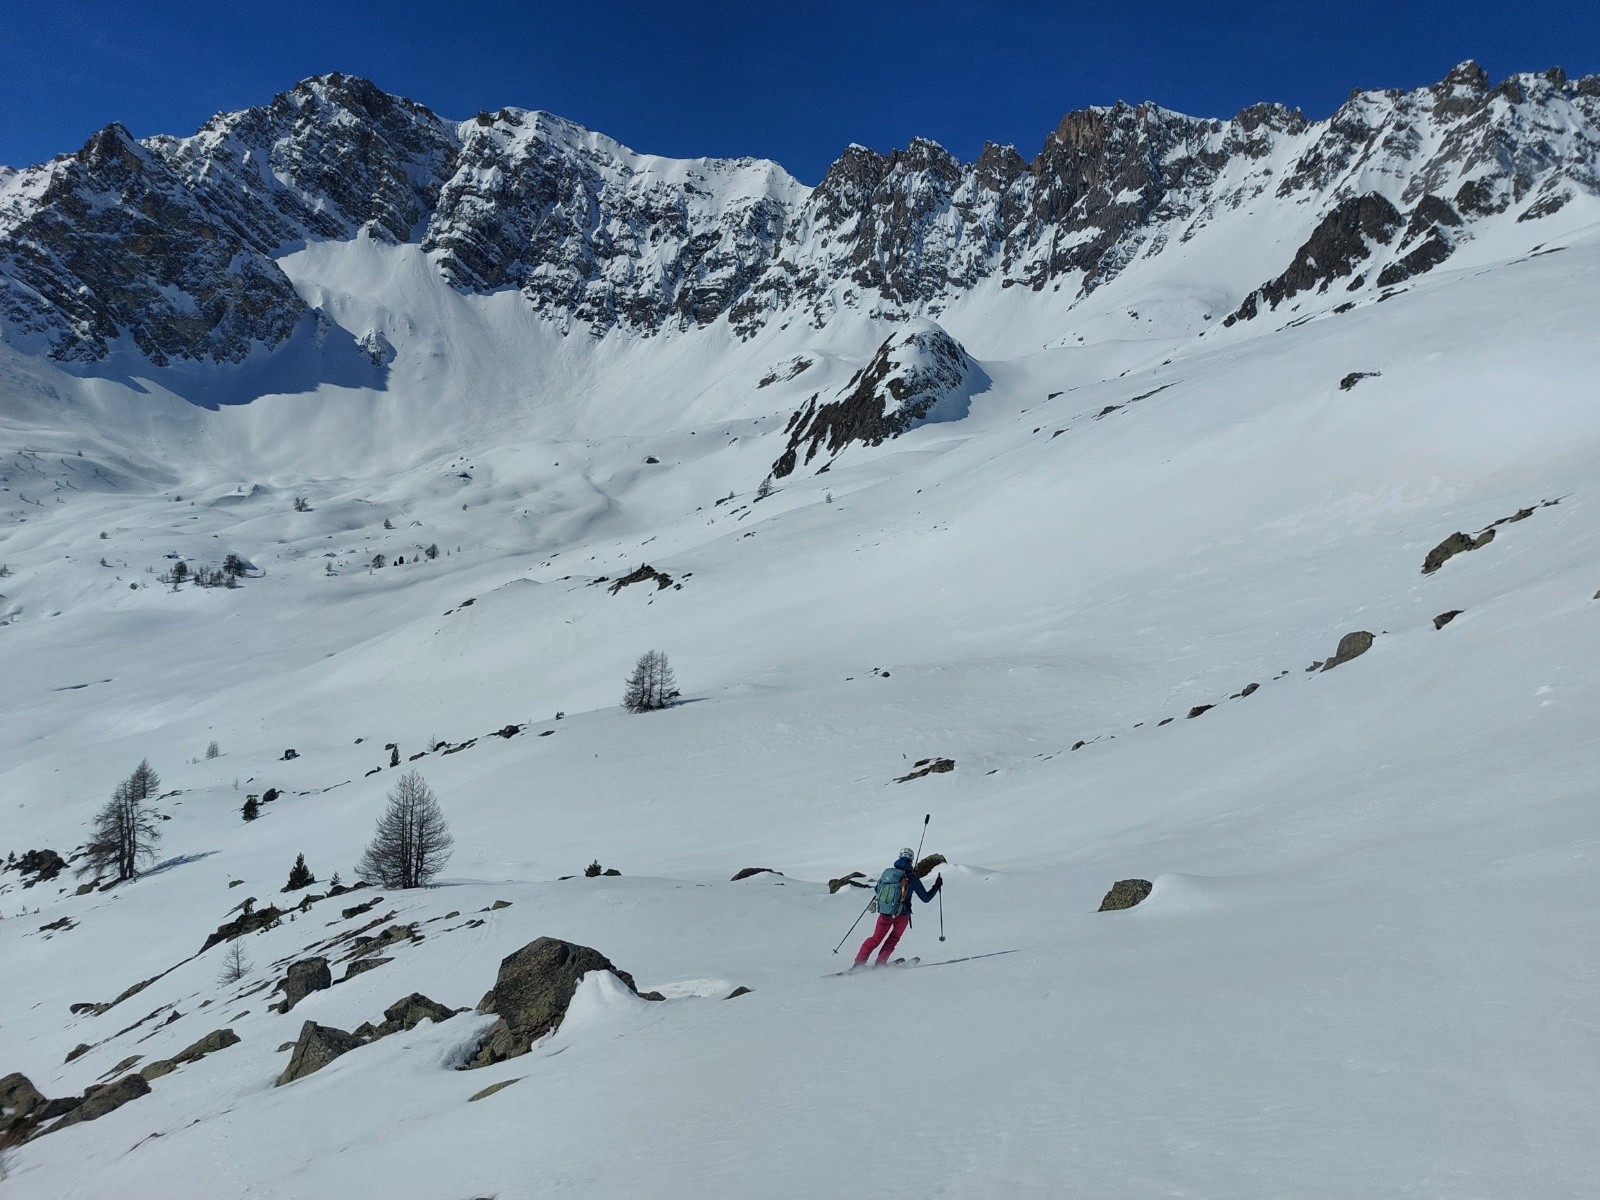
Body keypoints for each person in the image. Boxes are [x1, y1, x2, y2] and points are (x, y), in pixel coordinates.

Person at [853, 848, 942, 968]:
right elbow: (925, 898)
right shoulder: (912, 879)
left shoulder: (888, 874)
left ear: (899, 857)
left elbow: (877, 891)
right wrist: (936, 886)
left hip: (885, 913)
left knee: (875, 939)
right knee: (893, 939)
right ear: (911, 860)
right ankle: (880, 963)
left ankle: (859, 963)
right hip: (902, 915)